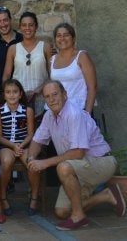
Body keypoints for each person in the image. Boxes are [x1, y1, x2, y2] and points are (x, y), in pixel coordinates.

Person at [27, 80, 125, 231]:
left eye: (55, 94)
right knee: (62, 211)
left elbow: (78, 152)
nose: (52, 99)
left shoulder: (74, 114)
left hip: (101, 162)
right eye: (47, 96)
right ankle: (107, 195)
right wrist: (31, 159)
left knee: (64, 167)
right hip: (80, 168)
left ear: (64, 95)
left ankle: (79, 216)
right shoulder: (49, 116)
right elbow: (37, 141)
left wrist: (45, 163)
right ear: (45, 100)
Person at [0, 79, 40, 216]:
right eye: (8, 92)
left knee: (32, 163)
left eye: (15, 92)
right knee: (6, 161)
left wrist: (21, 146)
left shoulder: (27, 111)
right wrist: (13, 146)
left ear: (20, 94)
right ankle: (3, 197)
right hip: (6, 145)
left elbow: (31, 134)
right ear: (4, 95)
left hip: (24, 145)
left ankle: (34, 197)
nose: (11, 95)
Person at [3, 11, 51, 114]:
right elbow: (6, 75)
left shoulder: (45, 47)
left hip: (41, 97)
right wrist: (11, 93)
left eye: (31, 25)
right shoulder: (13, 49)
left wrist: (38, 90)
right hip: (18, 98)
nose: (27, 28)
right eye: (24, 25)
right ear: (20, 27)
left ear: (36, 26)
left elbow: (52, 75)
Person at [49, 23, 97, 113]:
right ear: (55, 40)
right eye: (59, 36)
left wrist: (87, 114)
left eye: (66, 35)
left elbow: (92, 87)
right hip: (57, 111)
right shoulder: (52, 60)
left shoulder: (82, 56)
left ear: (73, 38)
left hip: (78, 109)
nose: (62, 38)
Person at [0, 6, 23, 97]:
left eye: (5, 20)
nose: (2, 24)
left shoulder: (23, 39)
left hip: (22, 92)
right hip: (0, 93)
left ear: (10, 20)